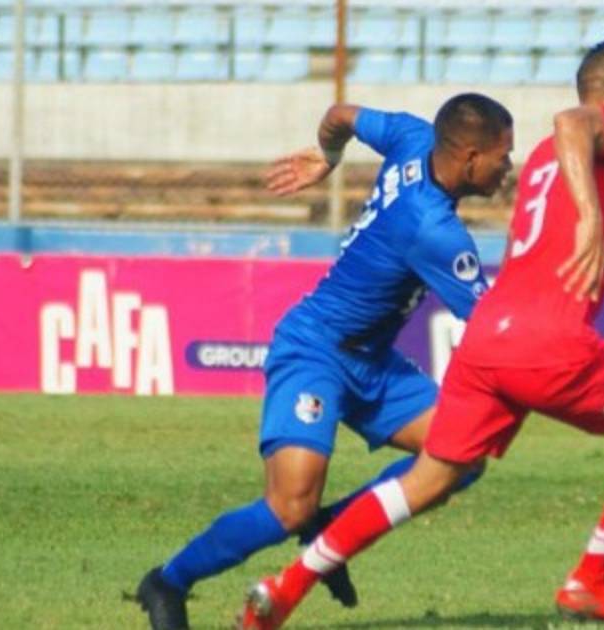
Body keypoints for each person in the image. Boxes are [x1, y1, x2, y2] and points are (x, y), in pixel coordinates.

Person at [236, 40, 604, 630]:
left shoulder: (545, 162)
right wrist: (591, 218)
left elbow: (564, 168)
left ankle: (284, 588)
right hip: (548, 340)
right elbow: (573, 122)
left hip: (487, 341)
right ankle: (591, 578)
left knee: (428, 479)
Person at [134, 92, 514, 630]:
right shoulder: (435, 231)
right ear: (471, 158)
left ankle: (331, 531)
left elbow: (339, 116)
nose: (509, 166)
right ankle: (167, 581)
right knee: (290, 506)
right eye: (503, 155)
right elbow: (493, 328)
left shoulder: (412, 136)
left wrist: (328, 157)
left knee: (462, 453)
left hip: (374, 363)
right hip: (315, 350)